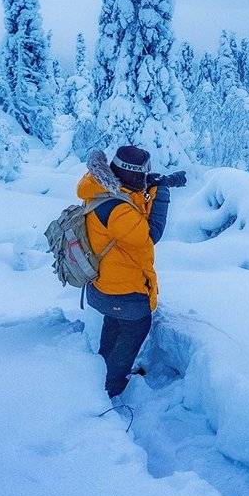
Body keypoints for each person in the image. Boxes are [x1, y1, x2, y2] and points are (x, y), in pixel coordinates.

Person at [77, 145, 183, 401]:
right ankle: (110, 388)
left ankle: (102, 372)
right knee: (135, 327)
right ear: (131, 175)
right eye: (142, 175)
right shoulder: (118, 209)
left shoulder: (103, 190)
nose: (144, 179)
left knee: (115, 324)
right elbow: (149, 235)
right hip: (124, 293)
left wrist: (155, 184)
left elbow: (130, 206)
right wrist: (162, 193)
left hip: (106, 286)